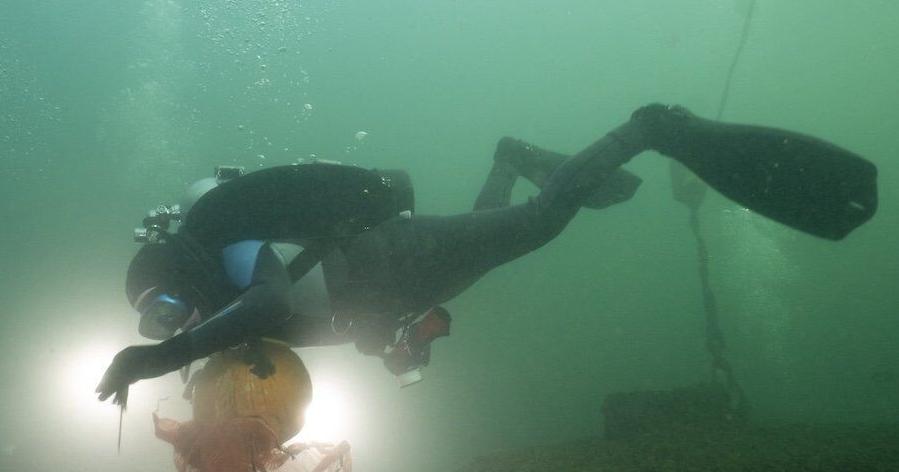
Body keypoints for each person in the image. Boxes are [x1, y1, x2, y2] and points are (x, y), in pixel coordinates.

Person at [97, 104, 877, 404]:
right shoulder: (227, 319)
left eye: (164, 309)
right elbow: (312, 324)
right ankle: (506, 151)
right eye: (161, 325)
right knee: (495, 236)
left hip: (397, 255)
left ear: (176, 275)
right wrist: (400, 344)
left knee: (536, 224)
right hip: (406, 280)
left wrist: (151, 361)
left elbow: (271, 300)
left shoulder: (232, 255)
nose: (173, 323)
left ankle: (649, 127)